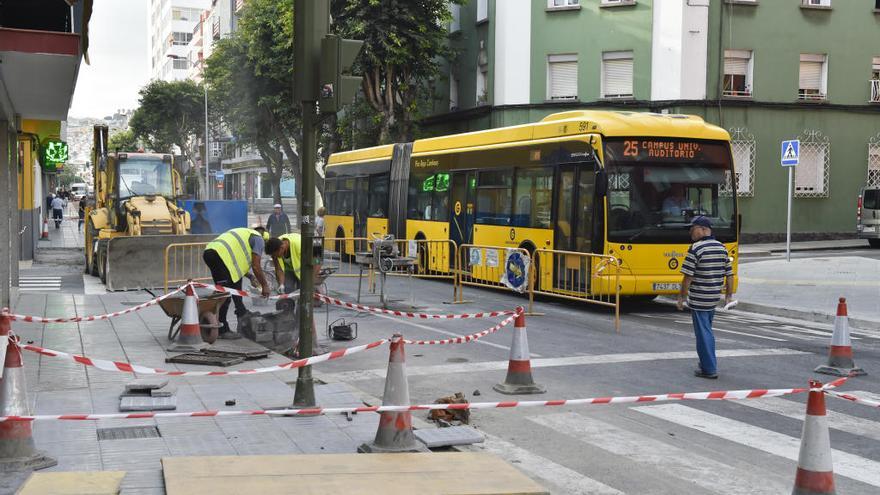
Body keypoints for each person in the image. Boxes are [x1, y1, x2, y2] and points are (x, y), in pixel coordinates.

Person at [676, 216, 734, 379]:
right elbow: (729, 275)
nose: (690, 232)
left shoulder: (696, 248)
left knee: (703, 334)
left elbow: (687, 277)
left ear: (702, 229)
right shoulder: (722, 248)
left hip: (699, 299)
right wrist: (728, 296)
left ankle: (709, 368)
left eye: (692, 228)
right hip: (713, 297)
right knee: (707, 330)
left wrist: (681, 297)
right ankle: (706, 363)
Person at [203, 227, 272, 339]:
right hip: (219, 255)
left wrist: (250, 276)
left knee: (235, 286)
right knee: (225, 295)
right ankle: (222, 330)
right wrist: (264, 285)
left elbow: (235, 262)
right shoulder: (258, 239)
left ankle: (241, 313)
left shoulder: (246, 234)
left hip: (213, 253)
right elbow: (256, 265)